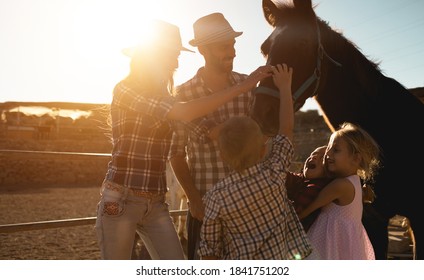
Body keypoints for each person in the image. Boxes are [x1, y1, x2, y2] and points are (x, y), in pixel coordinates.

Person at [95, 19, 272, 260]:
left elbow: (205, 128)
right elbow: (184, 113)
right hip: (121, 198)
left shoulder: (170, 98)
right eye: (171, 55)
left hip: (156, 202)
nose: (177, 62)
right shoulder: (126, 90)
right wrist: (243, 88)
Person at [169, 12, 261, 259]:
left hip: (247, 206)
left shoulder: (248, 87)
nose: (232, 51)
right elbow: (176, 154)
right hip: (205, 207)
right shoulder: (184, 94)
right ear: (203, 50)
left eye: (232, 44)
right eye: (224, 46)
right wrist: (193, 198)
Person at [198, 63, 312, 259]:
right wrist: (285, 87)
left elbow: (210, 251)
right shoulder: (275, 173)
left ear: (223, 156)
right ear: (262, 151)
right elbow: (286, 128)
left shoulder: (215, 198)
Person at [298, 122, 380, 260]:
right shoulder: (354, 182)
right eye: (329, 148)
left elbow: (307, 210)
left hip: (328, 244)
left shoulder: (340, 185)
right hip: (346, 246)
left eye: (335, 150)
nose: (328, 154)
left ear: (355, 158)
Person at [286, 145, 333, 232]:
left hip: (298, 235)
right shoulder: (301, 179)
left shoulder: (317, 188)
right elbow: (286, 177)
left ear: (328, 172)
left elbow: (296, 210)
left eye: (322, 158)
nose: (314, 157)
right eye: (312, 154)